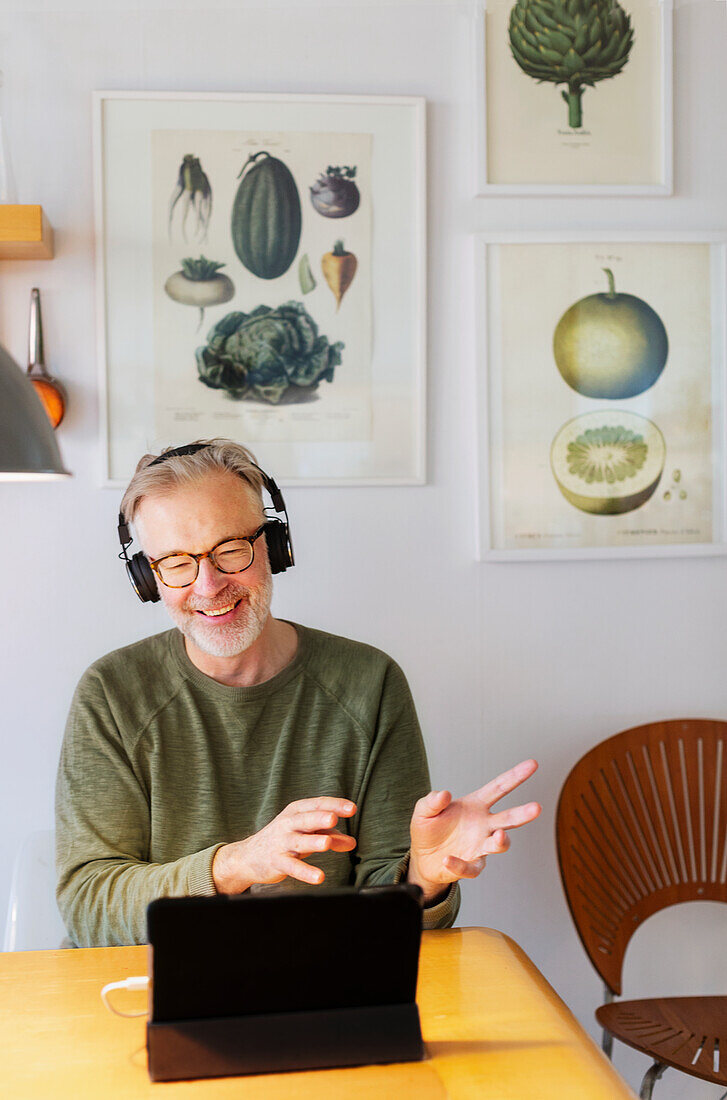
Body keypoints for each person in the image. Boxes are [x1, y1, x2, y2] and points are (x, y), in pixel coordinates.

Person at [55, 440, 541, 947]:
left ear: (274, 545)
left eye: (229, 550)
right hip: (143, 989)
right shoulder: (110, 694)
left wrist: (424, 878)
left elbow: (393, 922)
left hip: (322, 984)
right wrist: (238, 863)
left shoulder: (368, 683)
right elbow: (89, 908)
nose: (207, 585)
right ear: (147, 577)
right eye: (176, 563)